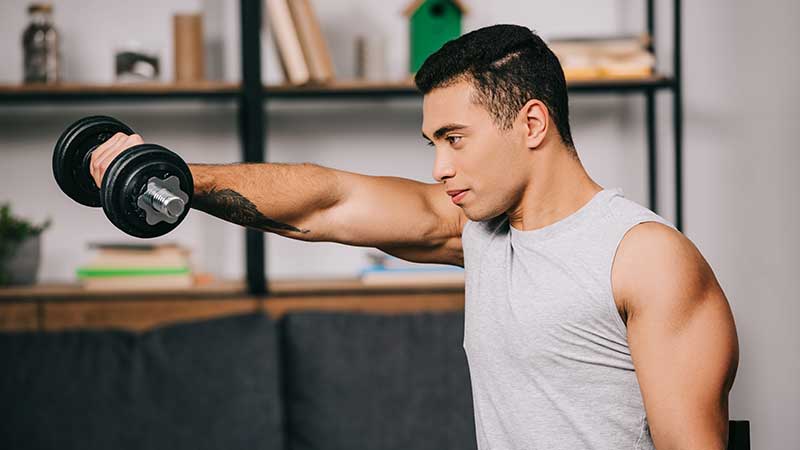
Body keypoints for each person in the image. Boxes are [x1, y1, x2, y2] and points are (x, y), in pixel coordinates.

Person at [89, 24, 739, 450]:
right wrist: (167, 173)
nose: (440, 168)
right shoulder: (479, 231)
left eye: (456, 140)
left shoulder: (644, 258)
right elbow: (325, 202)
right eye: (433, 144)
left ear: (532, 123)